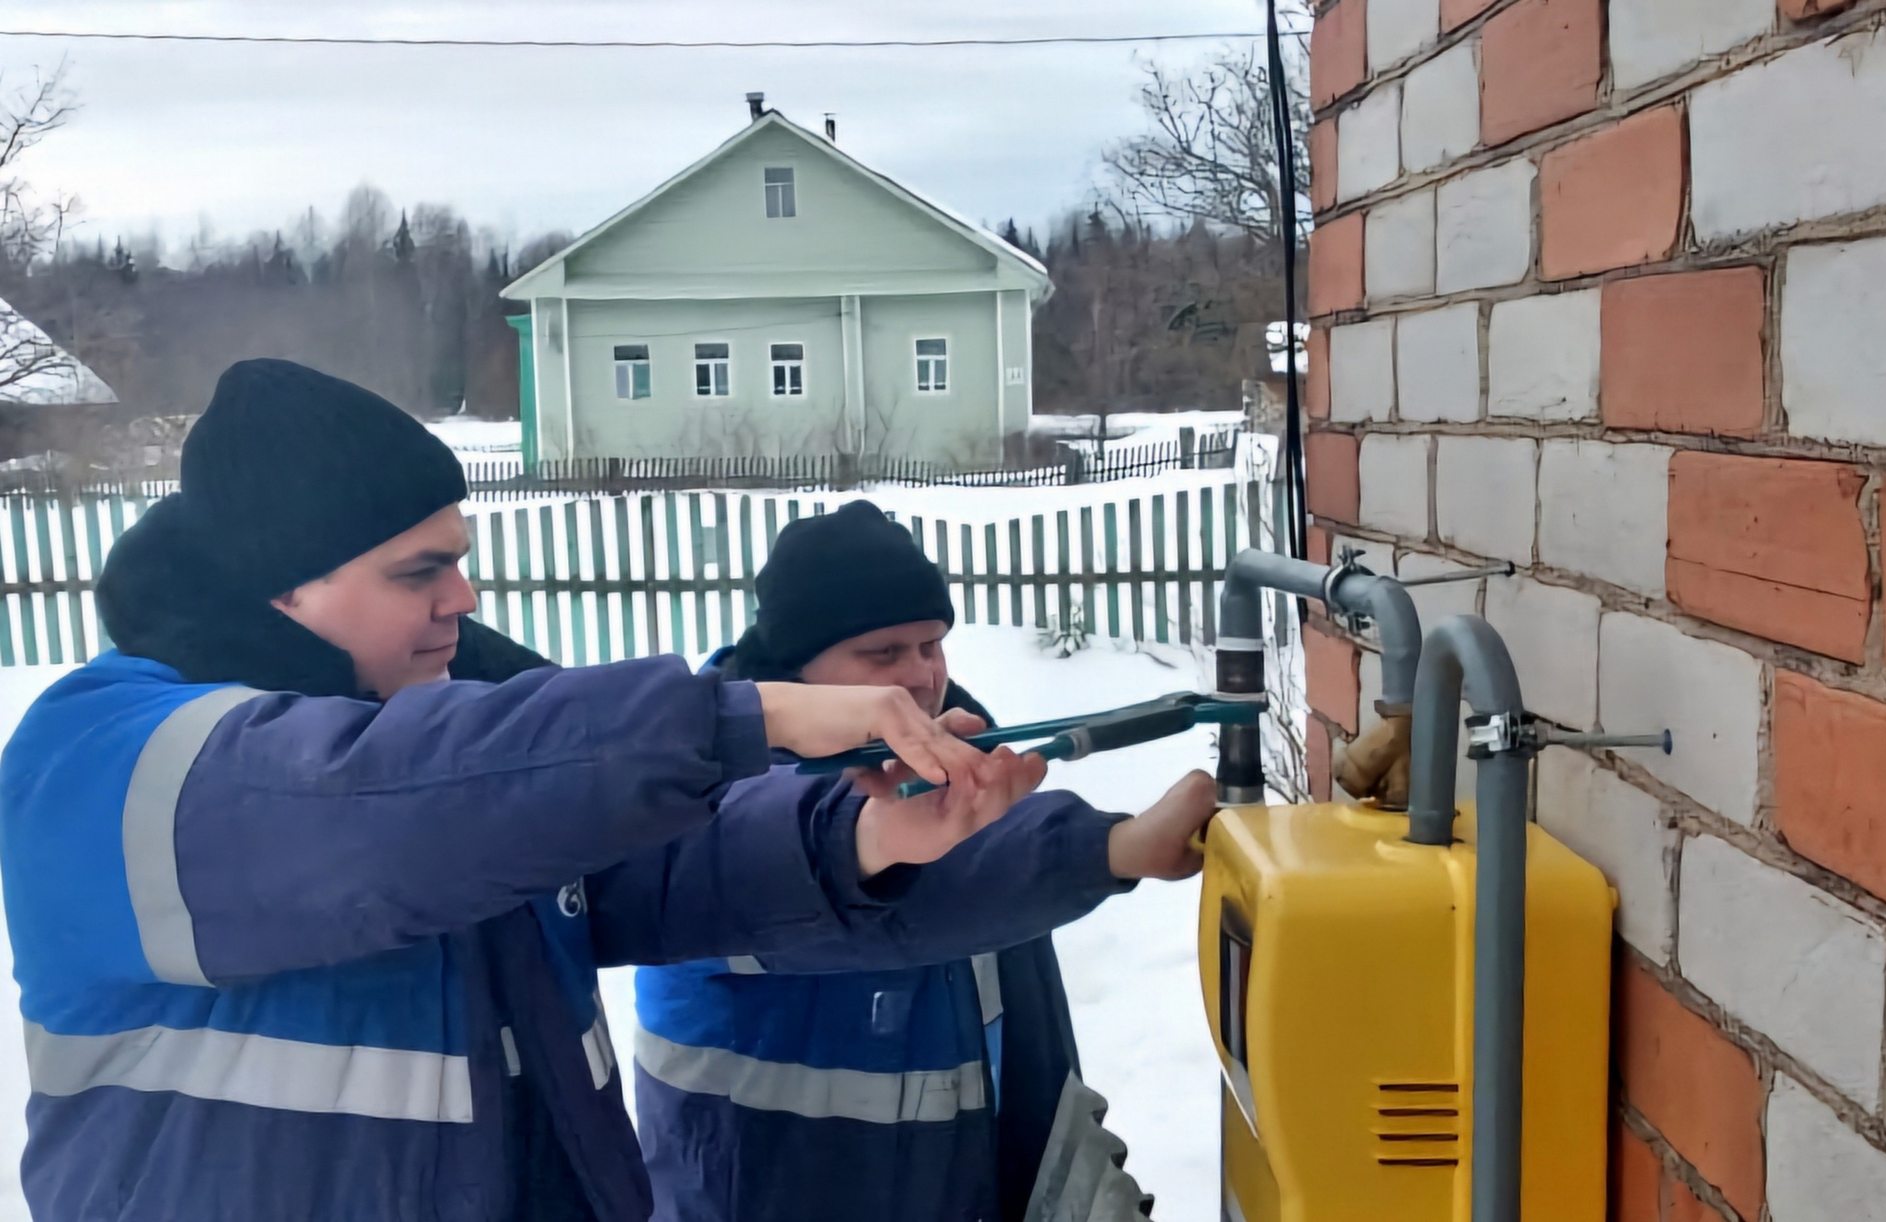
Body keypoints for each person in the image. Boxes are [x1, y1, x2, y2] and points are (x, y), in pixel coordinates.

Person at [0, 360, 1207, 1222]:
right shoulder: (106, 760)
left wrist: (869, 833)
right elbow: (378, 817)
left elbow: (655, 862)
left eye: (461, 562)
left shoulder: (436, 734)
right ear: (281, 590)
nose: (462, 601)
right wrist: (754, 713)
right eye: (420, 571)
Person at [632, 501, 1215, 1222]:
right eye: (883, 654)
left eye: (931, 645)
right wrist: (1113, 848)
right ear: (795, 667)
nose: (920, 675)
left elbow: (1028, 1055)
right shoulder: (708, 804)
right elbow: (919, 891)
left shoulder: (953, 780)